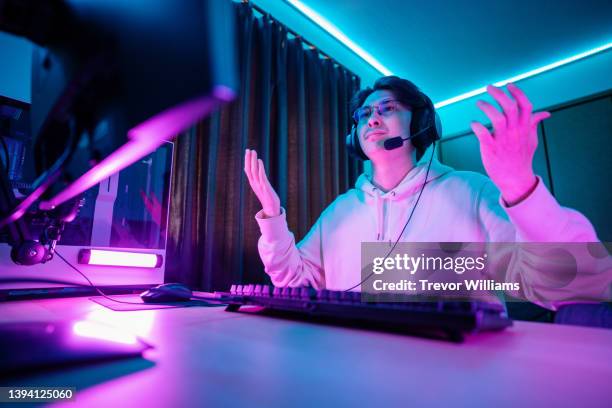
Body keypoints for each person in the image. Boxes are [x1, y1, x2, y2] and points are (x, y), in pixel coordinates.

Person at [243, 76, 609, 308]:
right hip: (350, 375)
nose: (372, 119)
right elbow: (294, 282)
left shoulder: (471, 191)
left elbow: (569, 283)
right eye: (365, 114)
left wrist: (520, 188)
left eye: (388, 109)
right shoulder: (340, 211)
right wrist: (274, 219)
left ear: (419, 124)